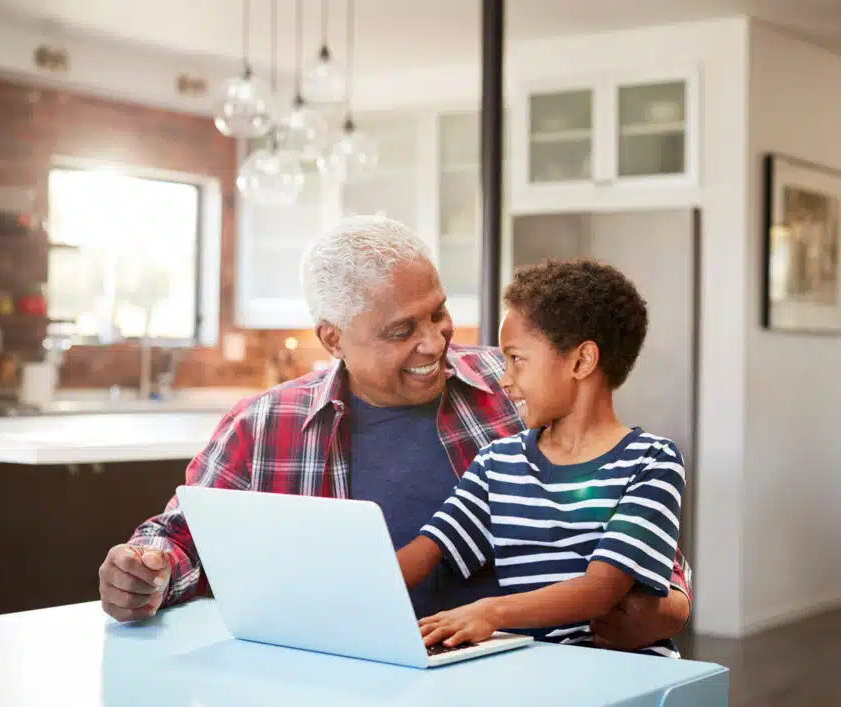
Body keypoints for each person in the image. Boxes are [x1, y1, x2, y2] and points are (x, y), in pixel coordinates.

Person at [97, 215, 692, 651]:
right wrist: (144, 572)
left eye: (436, 312)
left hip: (513, 671)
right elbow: (182, 537)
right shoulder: (263, 427)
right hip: (348, 677)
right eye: (401, 329)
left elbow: (624, 515)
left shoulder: (518, 390)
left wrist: (667, 606)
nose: (434, 342)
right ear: (333, 338)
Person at [397, 259, 684, 657]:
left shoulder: (652, 462)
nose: (504, 378)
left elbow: (600, 590)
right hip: (534, 670)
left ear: (581, 361)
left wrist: (491, 612)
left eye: (517, 359)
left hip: (624, 672)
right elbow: (425, 552)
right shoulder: (496, 463)